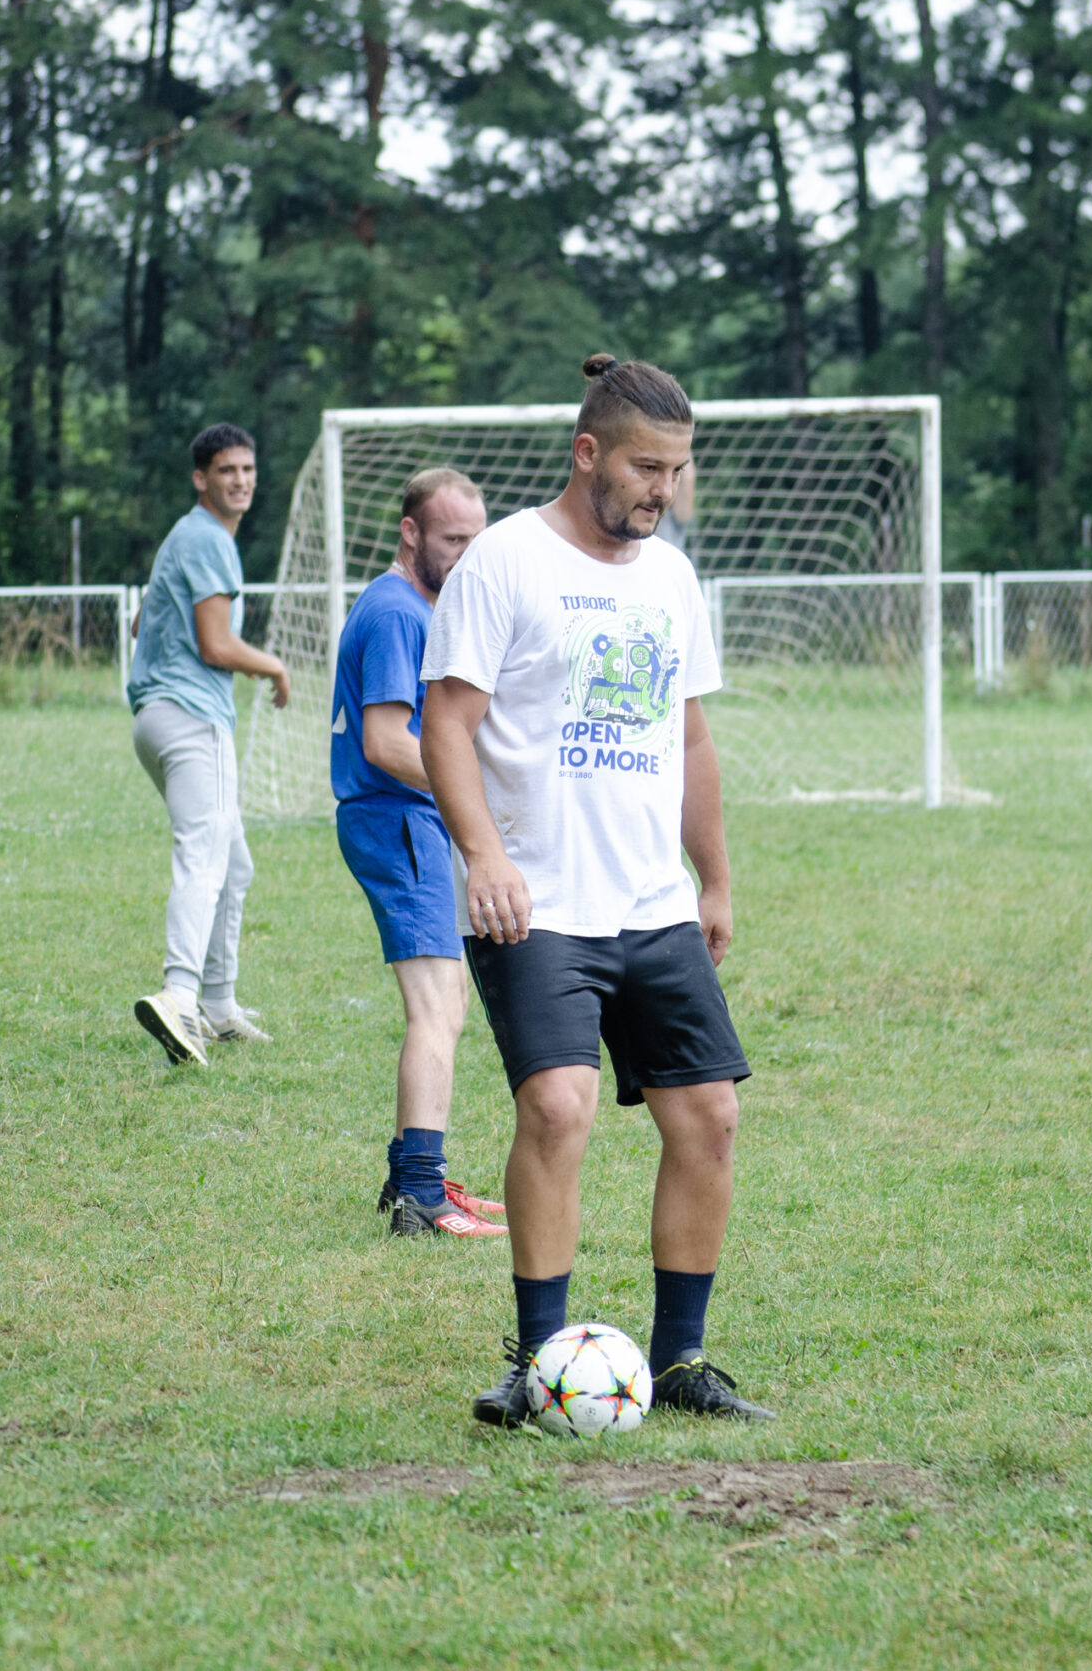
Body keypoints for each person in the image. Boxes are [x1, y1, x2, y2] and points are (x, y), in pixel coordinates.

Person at [420, 354, 773, 1425]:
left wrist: (714, 878)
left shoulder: (671, 578)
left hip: (651, 904)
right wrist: (485, 855)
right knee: (557, 1107)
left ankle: (681, 1362)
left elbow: (690, 737)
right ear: (587, 454)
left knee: (710, 1117)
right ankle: (538, 1364)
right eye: (645, 467)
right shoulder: (505, 561)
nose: (664, 489)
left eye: (677, 470)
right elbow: (446, 723)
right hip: (536, 904)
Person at [330, 466, 510, 1240]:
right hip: (396, 820)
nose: (468, 556)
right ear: (410, 533)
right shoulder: (397, 612)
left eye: (476, 540)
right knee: (435, 1008)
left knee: (449, 1001)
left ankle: (411, 1172)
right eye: (453, 539)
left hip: (409, 821)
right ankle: (421, 1196)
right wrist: (472, 789)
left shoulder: (417, 606)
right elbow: (385, 741)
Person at [129, 423, 291, 1065]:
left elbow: (143, 619)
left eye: (247, 469)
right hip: (193, 719)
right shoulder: (208, 539)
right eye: (227, 470)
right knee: (204, 854)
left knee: (234, 862)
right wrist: (274, 666)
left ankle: (219, 1007)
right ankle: (179, 995)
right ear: (201, 478)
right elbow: (216, 645)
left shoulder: (187, 536)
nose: (240, 480)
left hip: (154, 718)